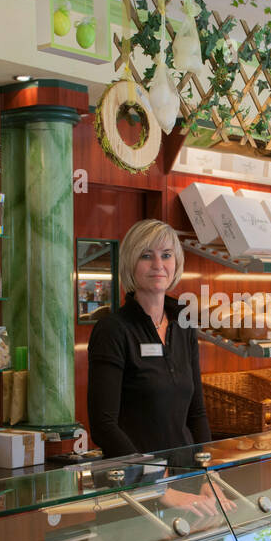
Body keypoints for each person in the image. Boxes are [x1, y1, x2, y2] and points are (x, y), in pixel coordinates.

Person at [87, 219, 221, 519]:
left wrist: (210, 475)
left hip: (187, 482)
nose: (158, 264)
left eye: (166, 254)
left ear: (177, 263)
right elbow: (103, 425)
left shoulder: (183, 324)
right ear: (131, 264)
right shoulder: (113, 330)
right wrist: (157, 485)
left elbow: (196, 411)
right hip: (135, 492)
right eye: (146, 255)